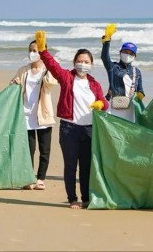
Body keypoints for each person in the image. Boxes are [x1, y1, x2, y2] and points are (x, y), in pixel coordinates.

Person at [35, 31, 108, 208]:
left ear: (92, 64)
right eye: (80, 61)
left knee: (86, 167)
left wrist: (100, 104)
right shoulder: (67, 78)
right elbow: (53, 66)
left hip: (89, 130)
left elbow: (105, 103)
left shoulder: (95, 84)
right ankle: (72, 198)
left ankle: (85, 198)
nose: (83, 65)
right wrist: (43, 50)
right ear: (74, 63)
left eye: (86, 62)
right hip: (69, 129)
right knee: (70, 166)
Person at [12, 40, 58, 190]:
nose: (33, 53)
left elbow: (52, 82)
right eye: (31, 50)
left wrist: (48, 61)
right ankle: (29, 177)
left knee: (44, 149)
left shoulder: (47, 70)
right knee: (29, 149)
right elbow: (13, 87)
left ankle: (40, 178)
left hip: (43, 114)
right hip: (26, 115)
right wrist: (14, 82)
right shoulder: (23, 70)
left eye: (36, 51)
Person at [100, 23, 144, 121]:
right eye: (125, 52)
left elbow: (140, 89)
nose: (128, 55)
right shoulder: (113, 67)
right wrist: (107, 40)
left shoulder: (137, 72)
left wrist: (140, 94)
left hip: (131, 110)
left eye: (131, 53)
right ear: (120, 53)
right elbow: (104, 57)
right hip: (114, 107)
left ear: (134, 56)